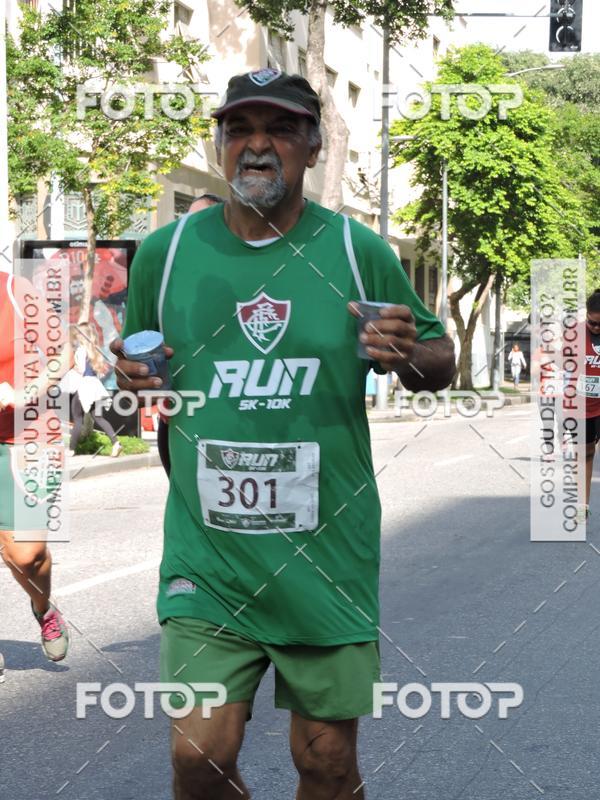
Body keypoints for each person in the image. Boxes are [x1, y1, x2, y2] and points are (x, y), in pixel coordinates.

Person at [111, 69, 455, 800]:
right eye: (240, 129)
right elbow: (143, 378)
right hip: (211, 561)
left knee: (325, 763)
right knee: (196, 757)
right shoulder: (164, 255)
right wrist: (138, 385)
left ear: (313, 145)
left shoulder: (360, 253)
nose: (257, 146)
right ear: (221, 143)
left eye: (281, 129)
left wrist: (409, 352)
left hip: (326, 557)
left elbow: (439, 363)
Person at [0, 269, 69, 665]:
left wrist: (25, 391)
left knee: (27, 553)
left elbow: (63, 354)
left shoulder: (14, 289)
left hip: (23, 434)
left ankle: (43, 608)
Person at [157, 192, 225, 477]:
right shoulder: (171, 279)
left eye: (199, 220)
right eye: (186, 220)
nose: (188, 228)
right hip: (176, 417)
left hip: (227, 416)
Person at [61, 323, 122, 457]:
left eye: (77, 335)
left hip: (83, 387)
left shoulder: (80, 350)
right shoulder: (95, 351)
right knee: (99, 418)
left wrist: (69, 370)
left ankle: (70, 449)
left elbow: (81, 370)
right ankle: (116, 443)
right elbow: (98, 372)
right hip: (96, 387)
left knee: (77, 419)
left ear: (82, 337)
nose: (76, 338)